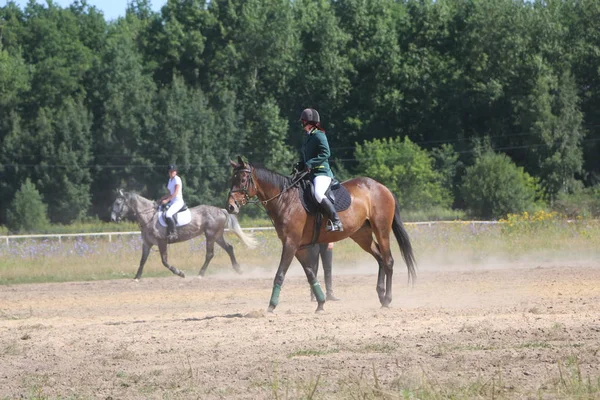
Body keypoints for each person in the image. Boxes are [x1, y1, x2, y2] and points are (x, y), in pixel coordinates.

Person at [295, 108, 343, 232]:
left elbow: (326, 153)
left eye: (303, 122)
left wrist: (310, 163)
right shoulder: (308, 137)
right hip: (311, 174)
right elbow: (308, 156)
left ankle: (336, 220)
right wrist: (301, 165)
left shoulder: (319, 135)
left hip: (322, 173)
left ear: (309, 122)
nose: (302, 124)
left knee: (318, 193)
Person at [159, 164, 184, 241]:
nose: (172, 173)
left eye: (173, 171)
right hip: (172, 202)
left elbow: (175, 193)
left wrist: (166, 200)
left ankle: (174, 232)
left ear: (176, 172)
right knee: (161, 210)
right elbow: (169, 193)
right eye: (170, 171)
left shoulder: (177, 179)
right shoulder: (170, 180)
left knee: (168, 214)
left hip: (178, 201)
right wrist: (161, 199)